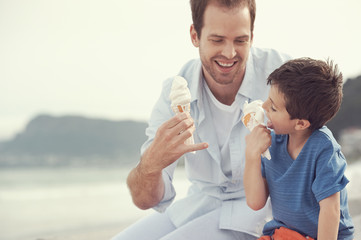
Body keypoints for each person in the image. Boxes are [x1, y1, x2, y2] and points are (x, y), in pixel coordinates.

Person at [111, 0, 290, 239]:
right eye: (217, 40)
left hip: (262, 211)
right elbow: (144, 200)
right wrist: (152, 164)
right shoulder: (173, 92)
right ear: (195, 35)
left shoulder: (283, 74)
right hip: (200, 205)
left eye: (240, 40)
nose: (229, 53)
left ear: (252, 36)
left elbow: (319, 150)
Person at [243, 58, 355, 240]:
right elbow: (255, 202)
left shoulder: (324, 150)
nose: (263, 107)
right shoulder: (270, 142)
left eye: (273, 107)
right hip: (283, 233)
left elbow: (331, 210)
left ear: (301, 123)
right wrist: (251, 155)